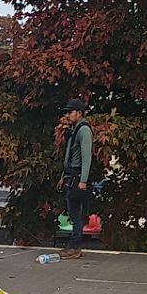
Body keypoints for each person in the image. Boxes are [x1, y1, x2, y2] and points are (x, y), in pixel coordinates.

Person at [60, 100, 92, 257]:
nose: (67, 115)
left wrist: (83, 180)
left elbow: (87, 157)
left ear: (79, 113)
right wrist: (63, 176)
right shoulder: (74, 130)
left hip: (77, 175)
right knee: (73, 212)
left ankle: (75, 246)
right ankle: (74, 245)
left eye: (70, 112)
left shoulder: (84, 130)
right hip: (71, 174)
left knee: (76, 213)